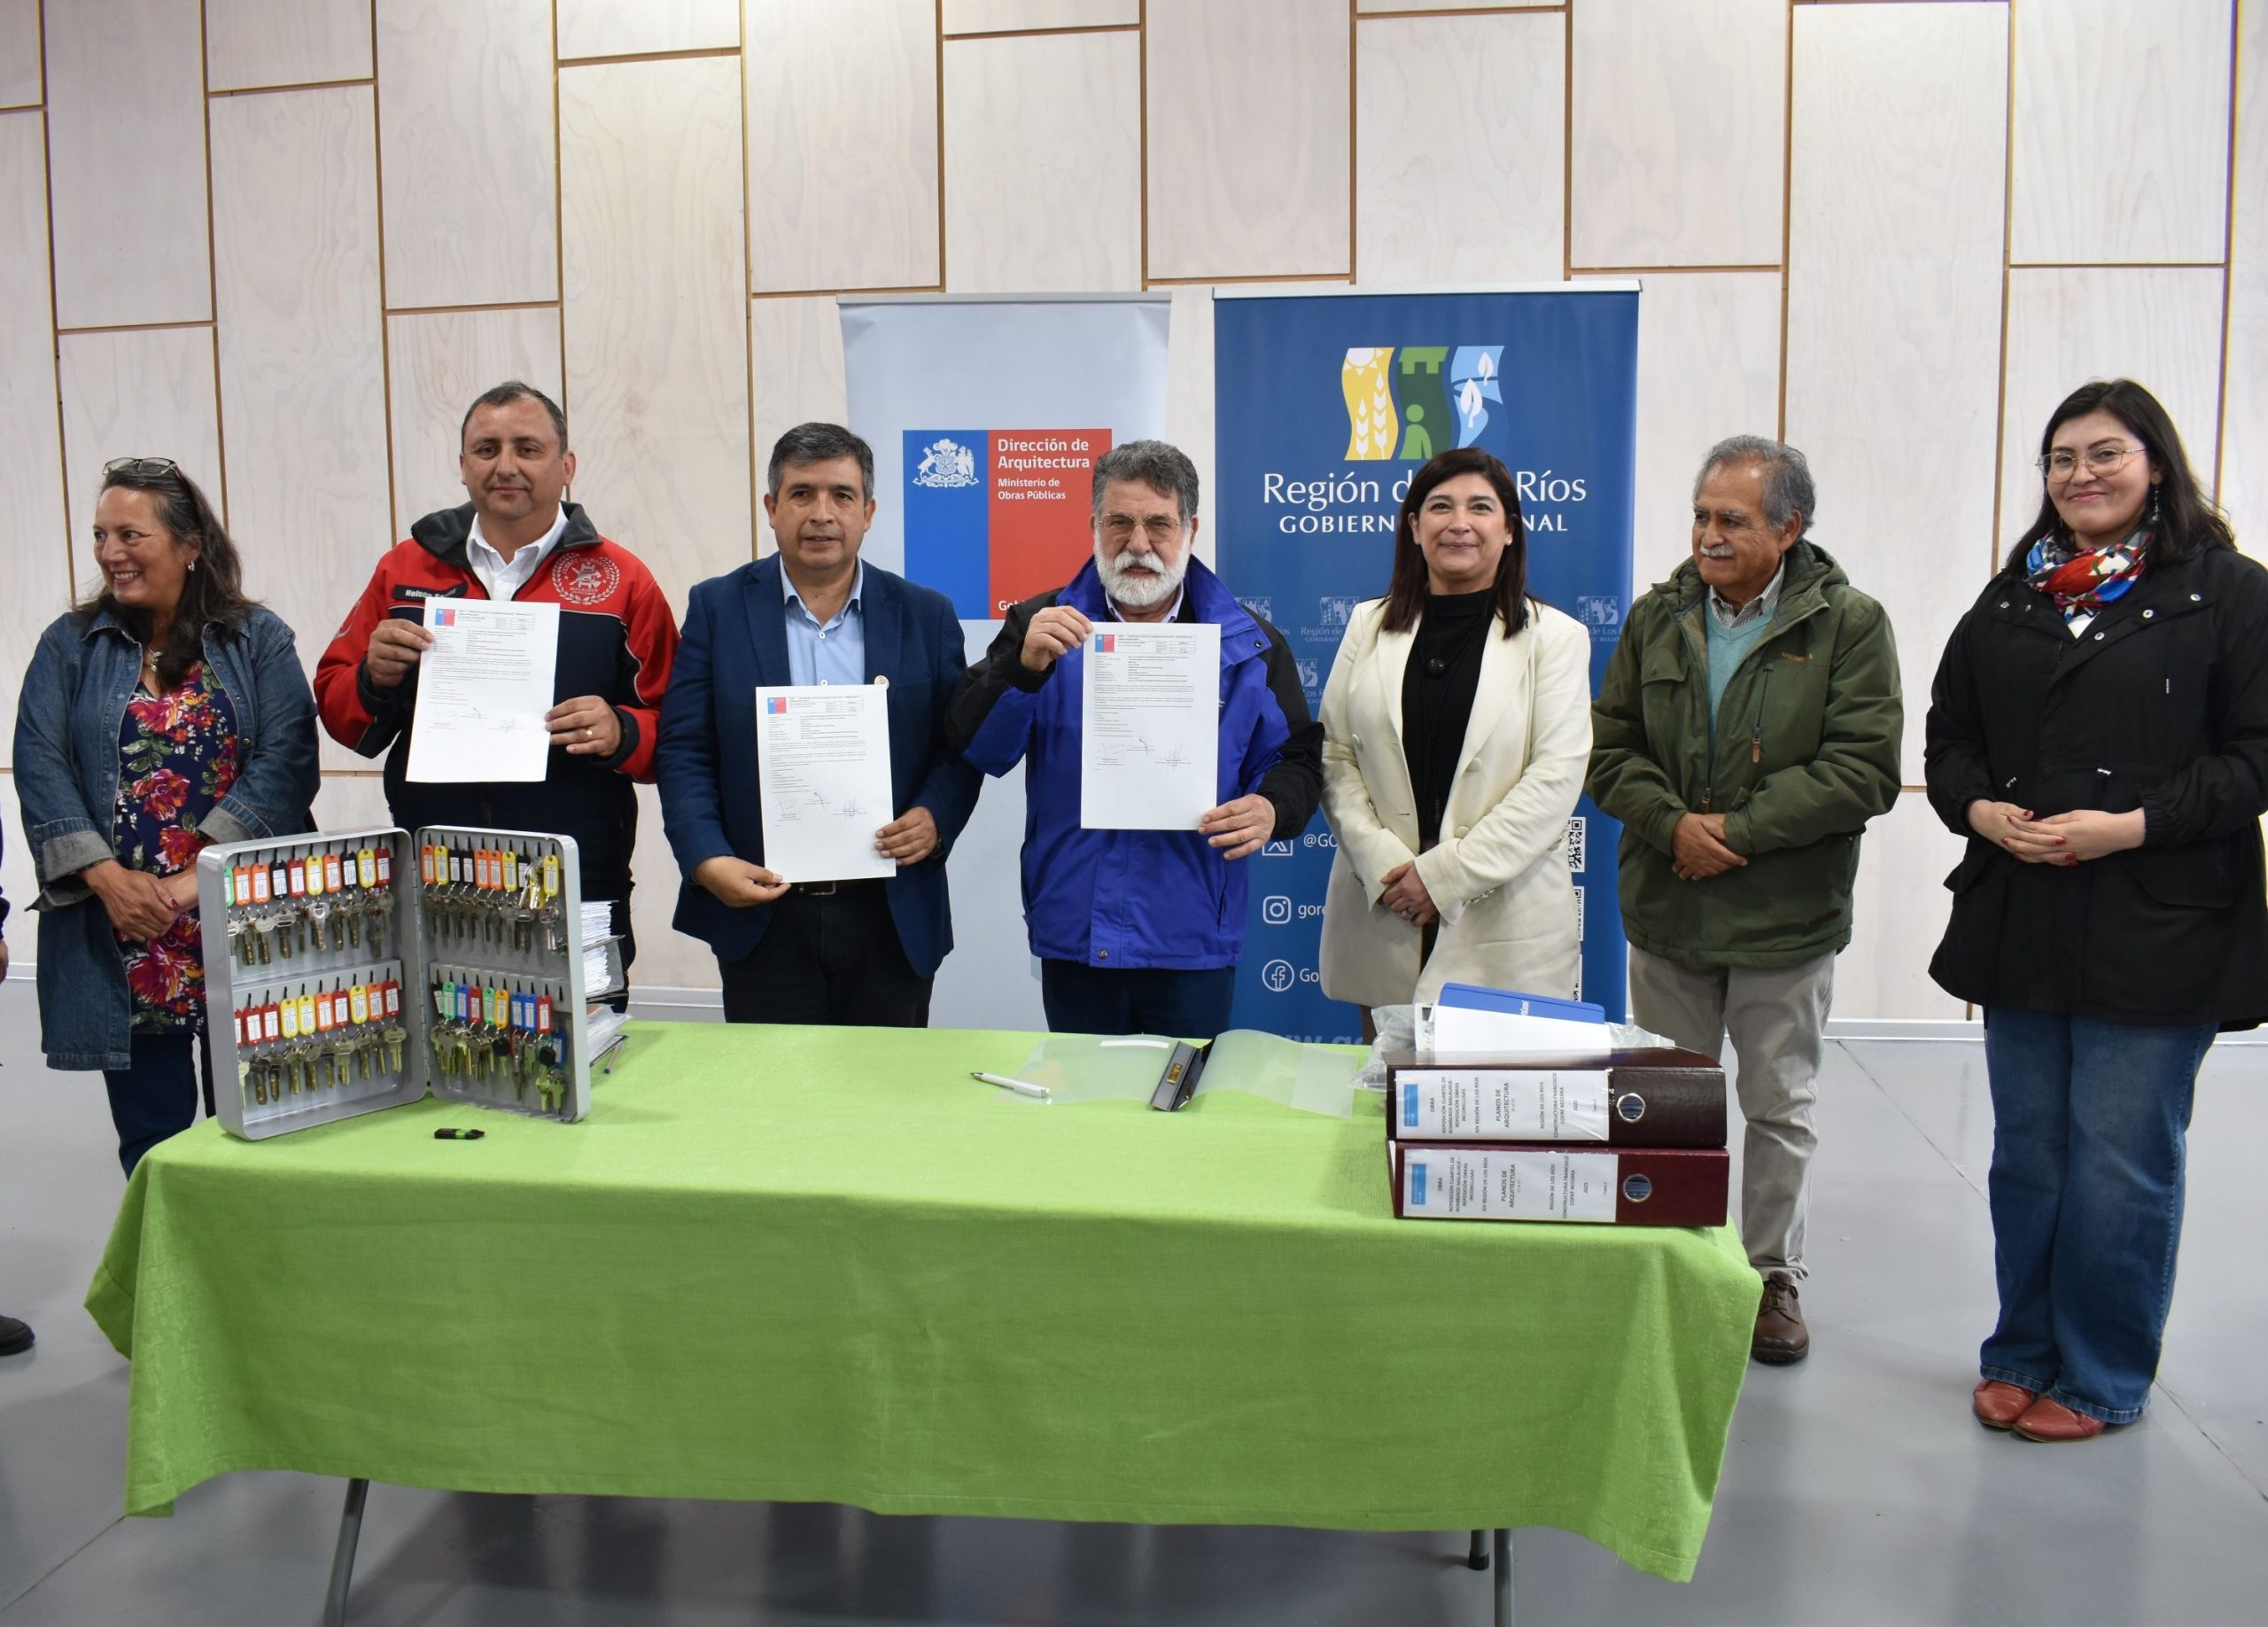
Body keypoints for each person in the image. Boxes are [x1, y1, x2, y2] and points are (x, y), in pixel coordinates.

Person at [1925, 378, 2264, 1443]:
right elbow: (1948, 741)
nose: (2079, 474)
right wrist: (1978, 807)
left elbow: (2253, 761)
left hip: (2158, 918)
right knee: (2027, 1153)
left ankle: (2102, 1374)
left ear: (2155, 462)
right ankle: (2019, 1351)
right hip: (2021, 914)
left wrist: (2126, 827)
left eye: (2104, 453)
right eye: (2061, 457)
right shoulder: (2010, 596)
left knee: (2121, 1159)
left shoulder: (2229, 593)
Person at [1588, 434, 1901, 1366]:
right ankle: (1673, 1257)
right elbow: (1610, 752)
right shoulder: (1657, 618)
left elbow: (1863, 771)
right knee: (1667, 1101)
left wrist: (1735, 835)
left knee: (1777, 1105)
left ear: (1789, 527)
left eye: (1732, 520)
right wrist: (1675, 826)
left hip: (1783, 920)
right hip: (1668, 908)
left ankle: (1770, 1277)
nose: (1709, 536)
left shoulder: (1848, 625)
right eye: (1700, 516)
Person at [947, 439, 1323, 1040]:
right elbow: (978, 748)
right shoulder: (1040, 626)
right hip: (1077, 932)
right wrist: (1021, 670)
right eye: (1119, 523)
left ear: (1190, 530)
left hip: (1193, 937)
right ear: (1094, 526)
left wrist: (1272, 806)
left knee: (1182, 1119)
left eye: (1158, 524)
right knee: (1086, 1120)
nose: (1139, 544)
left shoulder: (1249, 643)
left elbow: (1298, 760)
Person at [14, 458, 319, 1173]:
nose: (110, 553)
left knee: (258, 1132)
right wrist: (107, 879)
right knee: (153, 1145)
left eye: (130, 534)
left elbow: (288, 758)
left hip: (238, 916)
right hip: (123, 928)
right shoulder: (69, 645)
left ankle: (254, 1281)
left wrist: (193, 880)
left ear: (190, 545)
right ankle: (170, 1280)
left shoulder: (258, 639)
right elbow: (40, 765)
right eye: (99, 535)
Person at [315, 382, 678, 965]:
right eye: (487, 449)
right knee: (449, 1043)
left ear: (567, 467)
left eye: (527, 448)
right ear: (463, 466)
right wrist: (371, 678)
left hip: (575, 873)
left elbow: (682, 730)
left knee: (584, 1040)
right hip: (439, 870)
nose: (505, 465)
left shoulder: (620, 580)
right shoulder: (406, 569)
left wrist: (623, 731)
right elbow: (335, 703)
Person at [657, 424, 982, 1024]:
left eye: (842, 495)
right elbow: (685, 749)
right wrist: (706, 859)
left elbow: (958, 749)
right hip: (763, 908)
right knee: (776, 1108)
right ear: (772, 508)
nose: (822, 513)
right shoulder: (718, 607)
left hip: (889, 913)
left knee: (884, 1105)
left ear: (869, 511)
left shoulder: (924, 615)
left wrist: (934, 817)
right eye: (802, 494)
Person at [1317, 448, 1591, 1016]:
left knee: (1492, 1104)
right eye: (1439, 506)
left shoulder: (1556, 638)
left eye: (1480, 508)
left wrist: (1441, 878)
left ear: (1509, 529)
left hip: (1503, 925)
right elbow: (1334, 754)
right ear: (1415, 527)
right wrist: (1390, 869)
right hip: (1387, 908)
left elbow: (1554, 780)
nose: (1459, 523)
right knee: (1387, 1101)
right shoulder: (1368, 625)